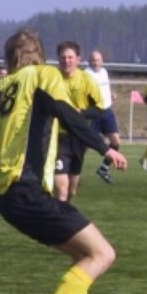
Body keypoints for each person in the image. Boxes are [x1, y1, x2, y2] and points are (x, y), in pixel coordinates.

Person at [0, 28, 127, 294]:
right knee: (103, 254)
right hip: (28, 192)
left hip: (9, 199)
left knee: (85, 256)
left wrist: (2, 170)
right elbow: (68, 114)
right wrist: (105, 148)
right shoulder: (43, 76)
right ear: (38, 55)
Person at [53, 41, 104, 203]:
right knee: (61, 189)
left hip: (78, 138)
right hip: (57, 137)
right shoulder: (52, 79)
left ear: (78, 59)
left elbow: (99, 109)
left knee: (71, 191)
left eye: (70, 57)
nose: (66, 61)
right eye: (63, 57)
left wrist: (81, 113)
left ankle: (63, 209)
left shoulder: (87, 80)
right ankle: (57, 214)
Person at [86, 50, 121, 184]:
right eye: (93, 60)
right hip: (93, 112)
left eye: (98, 60)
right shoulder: (86, 74)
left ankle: (104, 168)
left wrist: (110, 96)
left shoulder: (104, 72)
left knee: (116, 142)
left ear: (102, 61)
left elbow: (104, 89)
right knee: (84, 145)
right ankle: (71, 170)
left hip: (107, 111)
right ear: (89, 61)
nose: (96, 63)